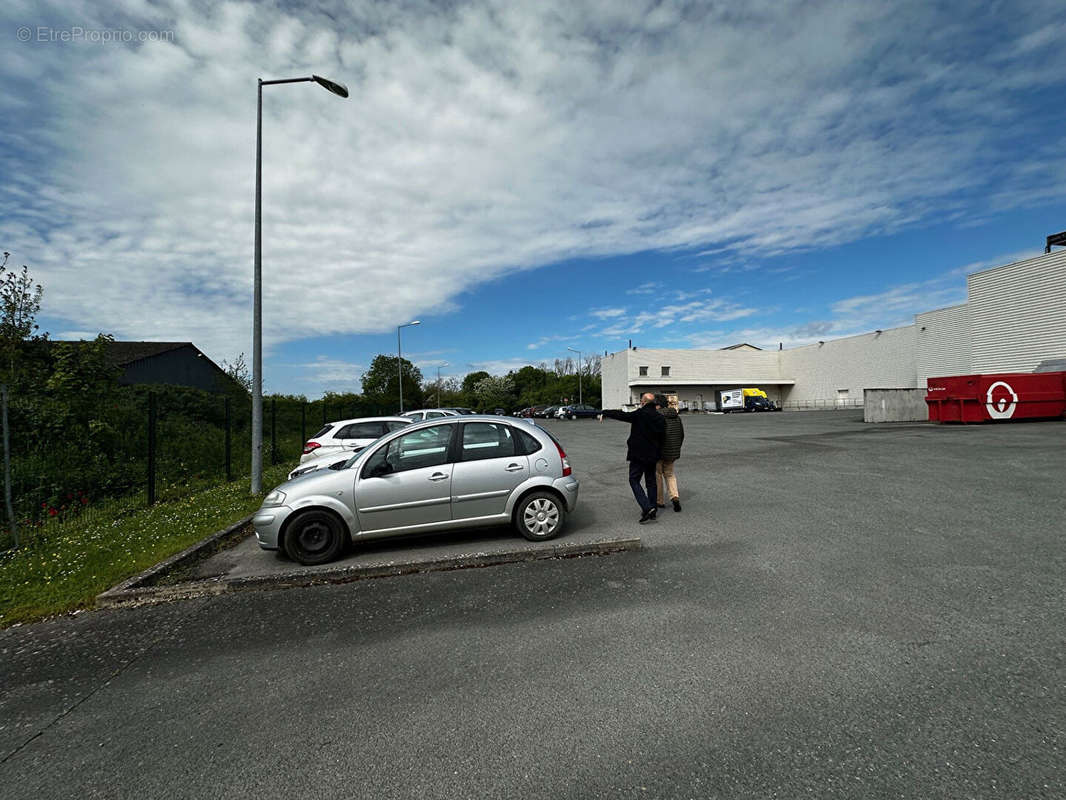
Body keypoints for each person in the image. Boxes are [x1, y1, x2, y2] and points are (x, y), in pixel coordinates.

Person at [599, 392, 666, 524]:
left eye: (641, 400)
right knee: (651, 481)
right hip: (653, 454)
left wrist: (605, 412)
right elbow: (663, 438)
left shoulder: (639, 414)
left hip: (638, 454)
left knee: (634, 479)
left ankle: (647, 507)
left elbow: (623, 415)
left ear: (644, 402)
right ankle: (653, 508)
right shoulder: (660, 418)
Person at [654, 396, 685, 512]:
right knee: (670, 474)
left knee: (657, 475)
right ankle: (675, 497)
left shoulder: (656, 416)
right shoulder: (676, 416)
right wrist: (677, 448)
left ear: (658, 405)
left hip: (659, 451)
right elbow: (681, 434)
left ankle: (660, 501)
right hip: (672, 451)